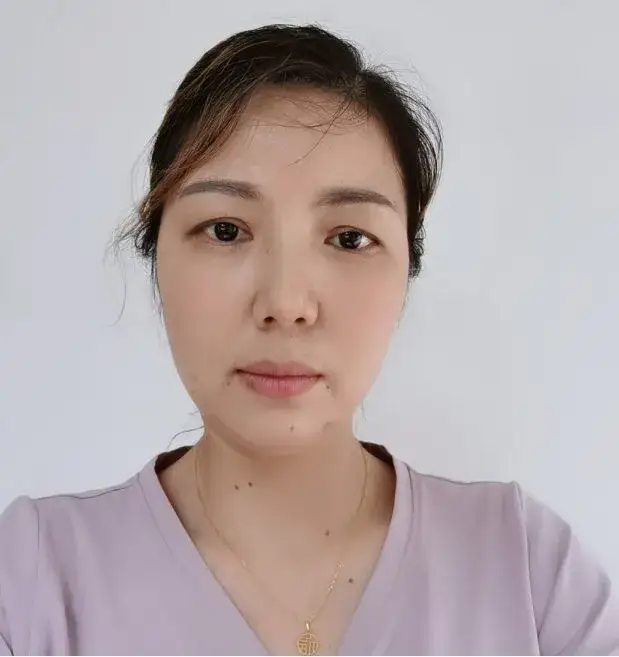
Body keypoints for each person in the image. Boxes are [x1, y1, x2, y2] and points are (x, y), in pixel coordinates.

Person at [0, 22, 617, 657]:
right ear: (155, 255)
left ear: (407, 270)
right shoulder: (30, 583)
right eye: (225, 230)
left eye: (350, 238)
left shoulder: (529, 574)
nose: (286, 304)